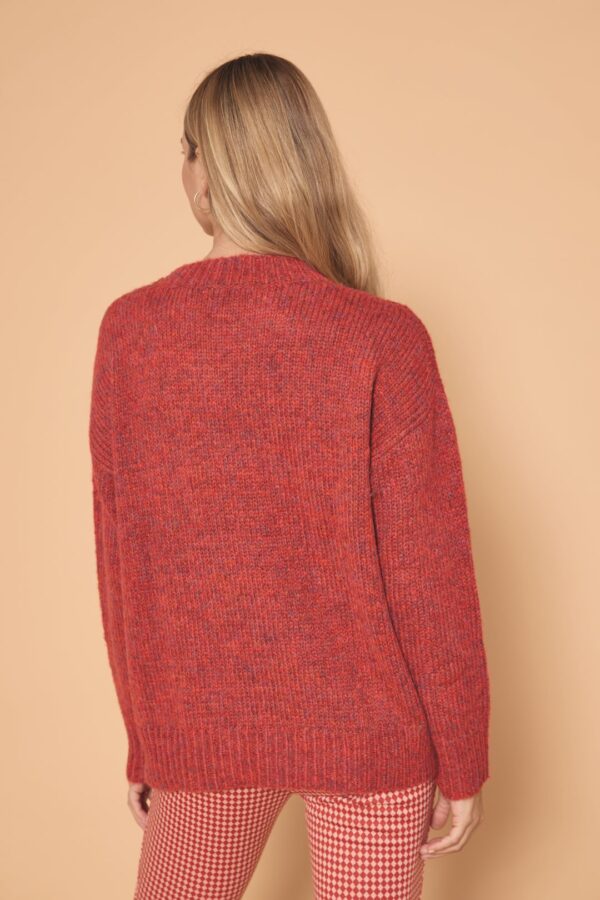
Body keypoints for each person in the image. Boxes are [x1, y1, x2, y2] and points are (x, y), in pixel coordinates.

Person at [88, 52, 491, 900]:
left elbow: (122, 562)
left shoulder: (130, 333)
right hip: (368, 730)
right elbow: (430, 573)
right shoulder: (381, 335)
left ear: (205, 168)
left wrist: (145, 738)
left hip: (200, 726)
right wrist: (462, 757)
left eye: (187, 149)